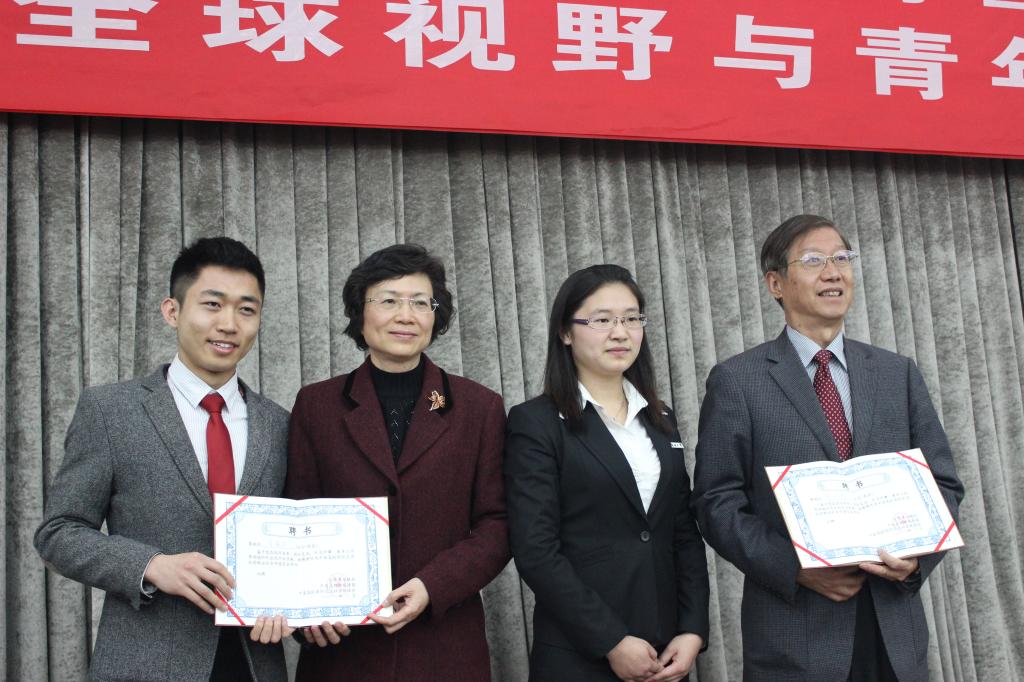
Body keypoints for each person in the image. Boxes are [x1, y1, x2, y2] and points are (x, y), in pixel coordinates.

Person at [691, 214, 965, 681]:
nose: (833, 272)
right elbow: (716, 501)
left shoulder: (896, 372)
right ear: (776, 283)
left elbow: (943, 482)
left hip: (894, 633)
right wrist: (795, 567)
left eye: (842, 258)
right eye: (814, 261)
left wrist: (916, 561)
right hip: (796, 636)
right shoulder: (738, 380)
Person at [35, 237, 291, 681]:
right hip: (146, 663)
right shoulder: (111, 411)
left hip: (254, 662)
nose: (229, 323)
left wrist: (291, 602)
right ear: (172, 311)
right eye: (212, 304)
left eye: (246, 309)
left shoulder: (280, 424)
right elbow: (58, 533)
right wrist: (151, 565)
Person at [284, 243, 510, 681]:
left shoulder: (478, 407)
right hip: (344, 653)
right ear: (360, 312)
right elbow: (298, 514)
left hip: (444, 649)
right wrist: (306, 614)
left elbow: (498, 523)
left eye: (421, 303)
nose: (406, 316)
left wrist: (432, 586)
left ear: (435, 316)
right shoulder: (317, 406)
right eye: (388, 301)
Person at [505, 264, 710, 682]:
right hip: (579, 653)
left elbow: (682, 532)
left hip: (665, 651)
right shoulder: (536, 422)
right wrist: (611, 640)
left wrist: (692, 629)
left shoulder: (661, 417)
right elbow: (536, 551)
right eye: (602, 320)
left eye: (632, 319)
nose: (621, 333)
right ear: (565, 332)